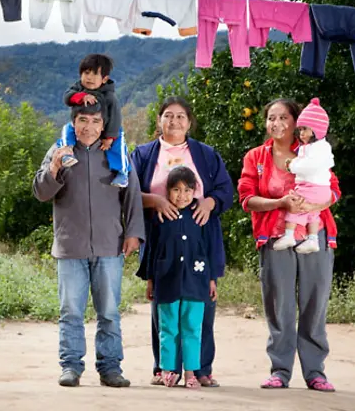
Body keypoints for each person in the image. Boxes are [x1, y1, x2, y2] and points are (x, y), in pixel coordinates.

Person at [33, 100, 145, 389]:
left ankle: (110, 368)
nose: (89, 127)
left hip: (110, 245)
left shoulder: (117, 152)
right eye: (83, 120)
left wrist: (133, 233)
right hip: (70, 247)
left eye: (96, 122)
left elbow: (131, 194)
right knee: (70, 310)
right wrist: (55, 167)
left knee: (109, 311)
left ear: (104, 125)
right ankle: (70, 366)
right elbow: (41, 193)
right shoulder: (60, 150)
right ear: (73, 122)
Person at [237, 98, 340, 393]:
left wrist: (314, 202)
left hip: (314, 231)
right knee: (278, 304)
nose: (277, 124)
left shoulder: (313, 150)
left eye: (284, 117)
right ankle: (280, 371)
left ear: (297, 122)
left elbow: (333, 189)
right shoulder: (256, 157)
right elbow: (247, 199)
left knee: (314, 301)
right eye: (271, 118)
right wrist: (280, 203)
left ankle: (315, 372)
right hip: (275, 236)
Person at [130, 97, 233, 388]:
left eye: (180, 116)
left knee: (200, 309)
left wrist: (210, 203)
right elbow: (127, 192)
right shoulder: (143, 154)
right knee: (164, 309)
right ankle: (165, 369)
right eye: (168, 116)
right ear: (159, 120)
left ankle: (200, 369)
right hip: (162, 240)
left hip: (199, 239)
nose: (174, 121)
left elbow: (227, 190)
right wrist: (155, 201)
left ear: (189, 122)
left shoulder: (206, 154)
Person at [137, 166, 218, 390]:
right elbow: (152, 251)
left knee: (193, 327)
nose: (181, 195)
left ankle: (191, 372)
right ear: (167, 191)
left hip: (196, 281)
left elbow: (210, 251)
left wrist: (211, 280)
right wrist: (150, 280)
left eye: (187, 190)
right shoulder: (160, 217)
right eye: (176, 190)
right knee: (168, 328)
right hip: (166, 281)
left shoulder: (201, 217)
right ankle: (167, 371)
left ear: (195, 191)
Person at [59, 53, 131, 187]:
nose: (89, 77)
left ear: (104, 79)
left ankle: (122, 172)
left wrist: (110, 137)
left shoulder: (110, 97)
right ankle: (67, 154)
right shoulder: (79, 87)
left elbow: (115, 117)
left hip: (107, 127)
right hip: (79, 126)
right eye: (86, 73)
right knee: (67, 130)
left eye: (95, 74)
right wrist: (81, 96)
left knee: (119, 143)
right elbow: (67, 97)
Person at [276, 98, 334, 254]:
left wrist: (292, 165)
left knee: (296, 205)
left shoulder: (317, 148)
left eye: (305, 130)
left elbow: (308, 166)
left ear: (317, 130)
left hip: (313, 188)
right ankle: (313, 239)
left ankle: (289, 235)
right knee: (313, 214)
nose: (301, 134)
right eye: (300, 129)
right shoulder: (316, 147)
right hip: (320, 189)